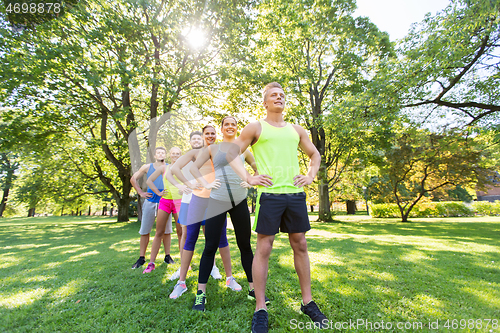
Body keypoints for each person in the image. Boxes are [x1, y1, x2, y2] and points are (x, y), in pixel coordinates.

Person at [227, 82, 328, 332]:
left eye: (282, 95)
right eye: (273, 95)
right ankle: (260, 307)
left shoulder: (296, 129)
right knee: (264, 248)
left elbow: (315, 155)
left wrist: (310, 176)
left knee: (301, 245)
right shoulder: (256, 127)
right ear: (265, 102)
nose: (278, 97)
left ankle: (307, 302)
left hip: (295, 194)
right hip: (269, 195)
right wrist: (249, 177)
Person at [189, 116, 262, 312]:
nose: (230, 127)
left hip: (239, 202)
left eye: (233, 124)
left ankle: (253, 290)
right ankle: (200, 295)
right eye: (226, 124)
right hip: (217, 201)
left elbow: (257, 168)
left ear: (237, 128)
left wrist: (251, 180)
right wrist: (206, 184)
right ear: (221, 129)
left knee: (245, 246)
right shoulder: (212, 149)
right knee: (210, 246)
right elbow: (194, 168)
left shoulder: (243, 148)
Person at [167, 125, 235, 299]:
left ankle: (229, 278)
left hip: (217, 201)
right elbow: (174, 169)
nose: (210, 136)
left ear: (216, 135)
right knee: (191, 237)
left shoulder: (221, 151)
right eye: (207, 134)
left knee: (221, 238)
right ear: (203, 135)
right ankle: (181, 282)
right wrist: (188, 184)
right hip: (197, 200)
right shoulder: (195, 153)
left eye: (213, 133)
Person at [130, 146, 173, 269]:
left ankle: (167, 256)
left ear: (165, 155)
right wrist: (140, 192)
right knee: (145, 230)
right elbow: (133, 179)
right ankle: (142, 258)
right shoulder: (147, 167)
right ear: (154, 155)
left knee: (166, 231)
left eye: (162, 152)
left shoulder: (170, 167)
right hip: (150, 201)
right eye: (158, 153)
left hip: (165, 201)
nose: (160, 154)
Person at [143, 147, 183, 273]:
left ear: (181, 155)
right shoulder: (163, 168)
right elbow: (149, 181)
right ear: (169, 155)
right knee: (159, 232)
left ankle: (185, 264)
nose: (175, 155)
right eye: (173, 153)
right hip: (165, 202)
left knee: (181, 233)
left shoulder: (184, 167)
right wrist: (158, 192)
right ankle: (151, 263)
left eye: (178, 154)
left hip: (179, 203)